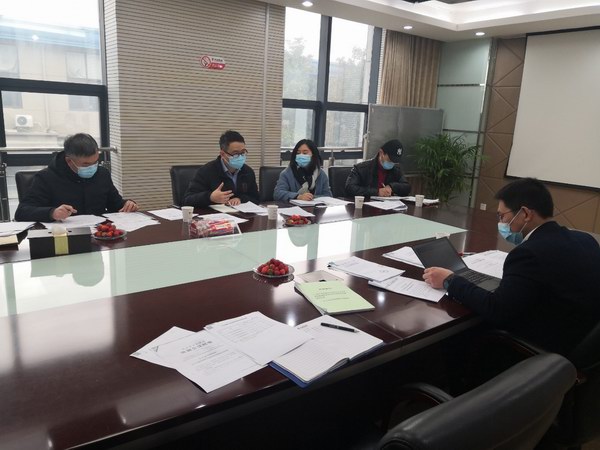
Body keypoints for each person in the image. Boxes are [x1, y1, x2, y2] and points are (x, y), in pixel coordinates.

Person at [423, 177, 600, 356]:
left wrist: (450, 280)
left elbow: (496, 309)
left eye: (502, 216)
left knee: (457, 337)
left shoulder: (528, 253)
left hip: (545, 351)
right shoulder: (586, 240)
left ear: (525, 214)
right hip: (584, 343)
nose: (500, 222)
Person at [14, 133, 138, 222]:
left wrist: (127, 204)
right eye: (86, 164)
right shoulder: (46, 177)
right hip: (64, 236)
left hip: (100, 234)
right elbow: (22, 212)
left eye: (95, 162)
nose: (92, 167)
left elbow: (115, 204)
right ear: (69, 161)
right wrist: (52, 213)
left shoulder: (102, 174)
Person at [183, 130, 259, 208]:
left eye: (242, 153)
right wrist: (210, 197)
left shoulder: (248, 171)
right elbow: (187, 200)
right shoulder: (207, 171)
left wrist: (240, 199)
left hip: (241, 214)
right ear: (222, 154)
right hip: (214, 214)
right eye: (235, 154)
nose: (240, 157)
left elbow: (256, 198)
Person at [345, 139, 410, 198]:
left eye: (395, 161)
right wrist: (377, 192)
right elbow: (350, 188)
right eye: (390, 159)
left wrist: (392, 186)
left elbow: (407, 187)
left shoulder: (396, 170)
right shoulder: (361, 168)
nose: (392, 163)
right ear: (381, 153)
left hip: (387, 205)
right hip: (366, 205)